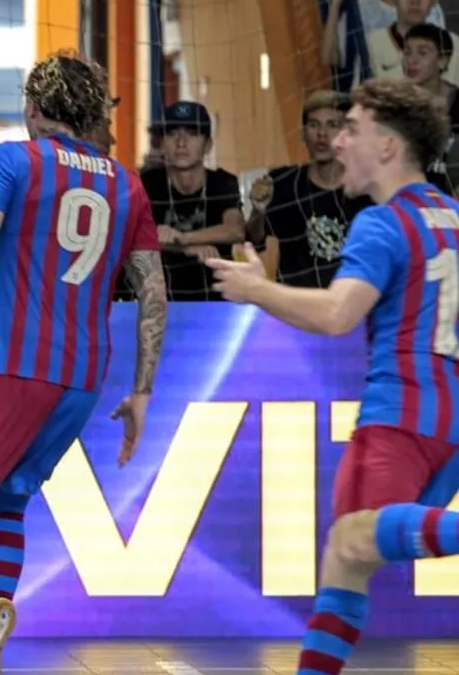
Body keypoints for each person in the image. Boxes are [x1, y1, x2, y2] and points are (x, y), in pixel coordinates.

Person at [0, 51, 169, 675]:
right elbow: (153, 293)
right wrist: (143, 389)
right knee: (9, 504)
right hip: (83, 379)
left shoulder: (16, 158)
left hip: (14, 362)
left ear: (36, 109)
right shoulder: (127, 183)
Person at [206, 79, 459, 675]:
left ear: (390, 147)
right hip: (448, 427)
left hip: (400, 416)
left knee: (351, 543)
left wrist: (257, 290)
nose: (337, 142)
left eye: (352, 129)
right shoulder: (451, 215)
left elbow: (338, 314)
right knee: (346, 561)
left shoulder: (382, 223)